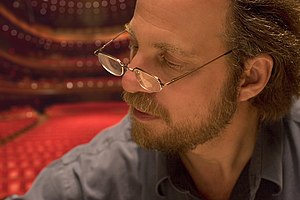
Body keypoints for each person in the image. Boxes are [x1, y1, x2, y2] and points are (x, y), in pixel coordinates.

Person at [8, 0, 300, 199]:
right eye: (134, 45)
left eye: (169, 60)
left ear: (250, 78)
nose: (128, 81)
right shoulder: (86, 182)